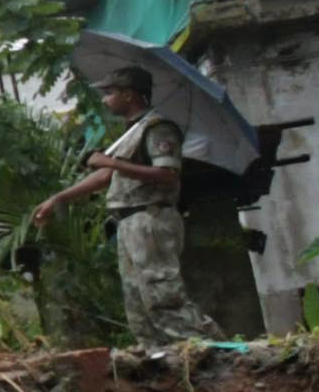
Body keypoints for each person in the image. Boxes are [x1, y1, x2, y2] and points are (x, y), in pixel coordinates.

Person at [34, 65, 217, 345]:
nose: (105, 100)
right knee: (138, 305)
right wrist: (60, 198)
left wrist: (111, 161)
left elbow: (168, 174)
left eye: (110, 93)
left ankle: (216, 351)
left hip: (150, 219)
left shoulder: (159, 129)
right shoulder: (131, 133)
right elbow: (106, 176)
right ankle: (161, 360)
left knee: (163, 296)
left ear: (129, 95)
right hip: (129, 222)